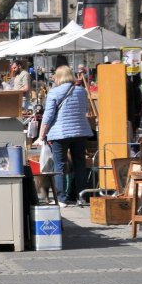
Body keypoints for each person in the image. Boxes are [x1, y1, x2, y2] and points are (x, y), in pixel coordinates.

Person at [34, 65, 91, 208]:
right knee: (80, 165)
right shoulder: (82, 91)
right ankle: (81, 196)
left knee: (59, 166)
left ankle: (61, 198)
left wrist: (41, 135)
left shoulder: (54, 92)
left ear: (59, 77)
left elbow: (48, 116)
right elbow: (86, 110)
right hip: (80, 132)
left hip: (60, 133)